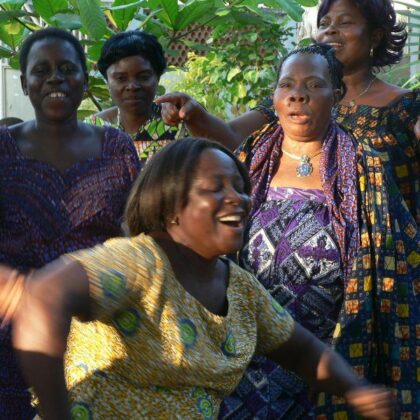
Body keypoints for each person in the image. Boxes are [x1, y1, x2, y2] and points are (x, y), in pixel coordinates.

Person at [0, 138, 394, 419]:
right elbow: (43, 297)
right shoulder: (138, 263)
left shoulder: (240, 288)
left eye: (240, 188)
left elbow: (305, 353)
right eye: (215, 188)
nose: (237, 198)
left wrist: (357, 390)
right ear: (171, 207)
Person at [157, 44, 419, 418]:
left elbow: (400, 259)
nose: (298, 95)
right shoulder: (245, 161)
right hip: (245, 353)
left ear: (337, 96)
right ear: (276, 97)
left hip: (330, 358)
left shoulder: (367, 170)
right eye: (287, 85)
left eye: (314, 85)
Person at [158, 0, 419, 225]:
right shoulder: (292, 97)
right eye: (325, 22)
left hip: (377, 253)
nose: (330, 29)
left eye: (345, 22)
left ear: (376, 35)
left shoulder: (405, 106)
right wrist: (193, 114)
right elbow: (231, 136)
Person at [0, 28, 140, 418]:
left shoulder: (117, 148)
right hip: (13, 329)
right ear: (25, 83)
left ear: (83, 77)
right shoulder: (1, 149)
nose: (54, 79)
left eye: (66, 68)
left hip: (100, 330)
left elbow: (136, 232)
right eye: (40, 71)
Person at [86, 30, 186, 165]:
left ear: (157, 77)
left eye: (143, 77)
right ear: (107, 80)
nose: (132, 86)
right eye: (121, 78)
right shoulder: (92, 129)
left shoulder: (178, 124)